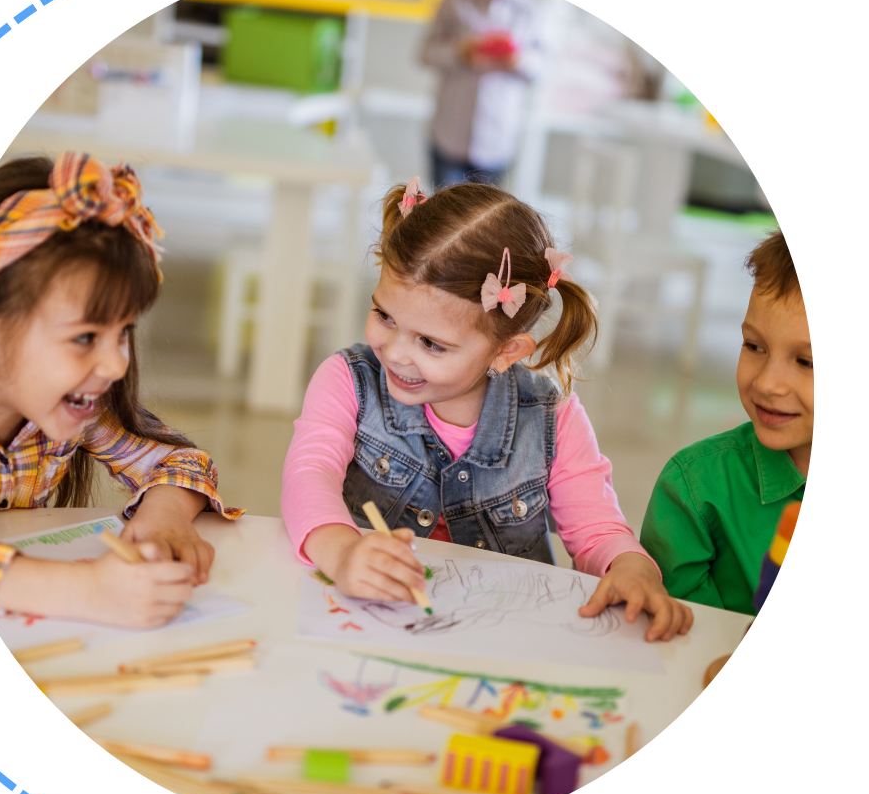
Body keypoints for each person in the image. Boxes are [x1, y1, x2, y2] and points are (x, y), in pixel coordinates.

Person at [282, 177, 692, 643]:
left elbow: (596, 530)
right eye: (385, 316)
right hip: (366, 626)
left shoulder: (552, 418)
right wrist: (340, 552)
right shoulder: (348, 381)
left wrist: (631, 568)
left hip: (502, 641)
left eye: (431, 343)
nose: (394, 353)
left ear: (506, 351)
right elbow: (307, 476)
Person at [0, 152, 242, 629]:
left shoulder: (78, 407)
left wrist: (166, 516)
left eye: (123, 332)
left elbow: (178, 460)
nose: (118, 363)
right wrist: (87, 591)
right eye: (84, 337)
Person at [640, 231, 808, 614]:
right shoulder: (693, 488)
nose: (766, 382)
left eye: (806, 362)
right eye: (754, 346)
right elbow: (682, 640)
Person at [420, 0, 541, 189]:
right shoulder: (454, 1)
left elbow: (545, 67)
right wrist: (460, 53)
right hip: (449, 135)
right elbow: (426, 53)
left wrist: (518, 61)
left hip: (497, 141)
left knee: (487, 221)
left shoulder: (531, 9)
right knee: (444, 220)